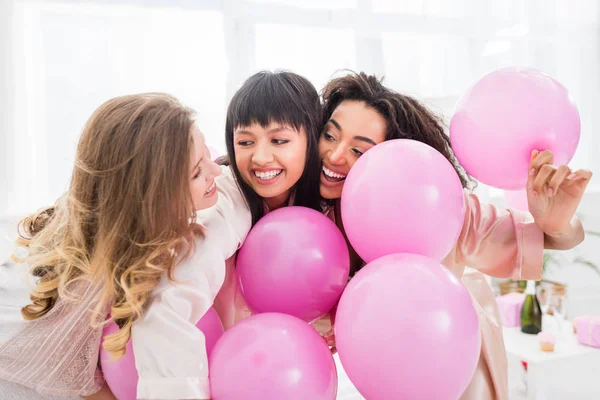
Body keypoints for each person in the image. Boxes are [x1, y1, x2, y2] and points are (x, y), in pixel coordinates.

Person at [316, 72, 592, 399]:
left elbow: (553, 239)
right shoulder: (313, 223)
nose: (334, 155)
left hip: (455, 368)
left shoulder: (439, 209)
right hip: (383, 378)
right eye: (330, 136)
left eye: (359, 151)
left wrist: (556, 222)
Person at [0, 93, 250, 399]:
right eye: (197, 172)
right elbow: (82, 386)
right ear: (155, 199)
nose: (215, 171)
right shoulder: (80, 295)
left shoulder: (122, 223)